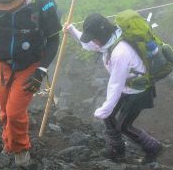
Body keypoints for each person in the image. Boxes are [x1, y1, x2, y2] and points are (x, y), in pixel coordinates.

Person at [0, 0, 61, 169]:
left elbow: (54, 39)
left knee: (15, 111)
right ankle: (8, 143)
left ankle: (21, 152)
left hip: (30, 65)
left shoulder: (44, 5)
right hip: (1, 63)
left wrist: (41, 71)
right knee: (3, 110)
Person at [64, 13, 163, 162]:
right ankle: (117, 148)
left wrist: (105, 108)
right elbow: (91, 45)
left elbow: (115, 84)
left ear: (102, 35)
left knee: (124, 126)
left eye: (94, 38)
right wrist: (72, 30)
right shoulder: (109, 42)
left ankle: (153, 148)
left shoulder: (120, 52)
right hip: (127, 87)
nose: (93, 42)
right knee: (109, 116)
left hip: (138, 91)